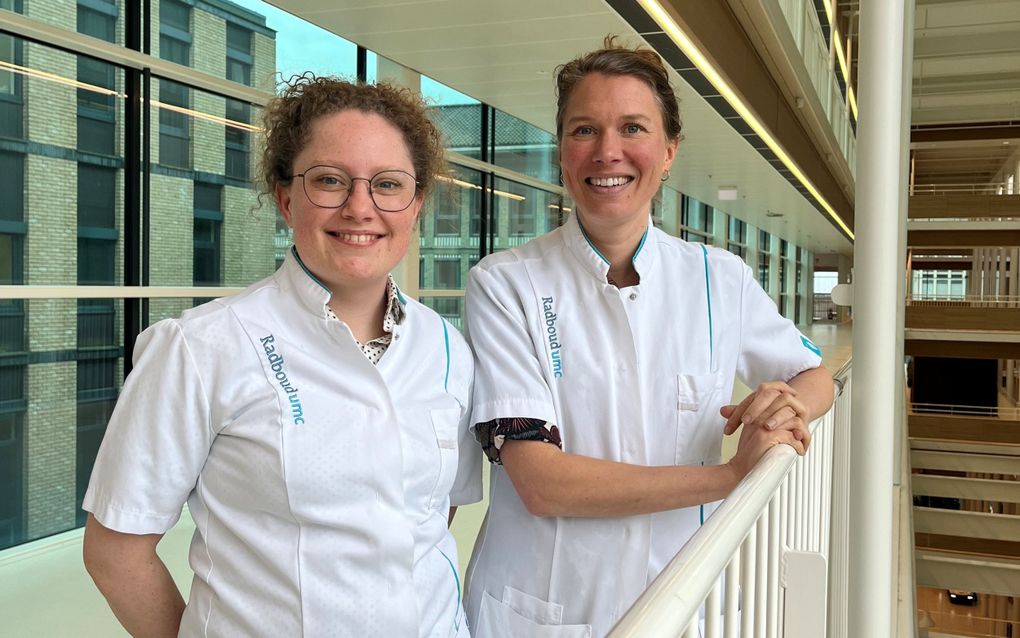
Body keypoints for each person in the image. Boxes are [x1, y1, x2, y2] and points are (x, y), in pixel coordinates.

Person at [82, 76, 480, 637]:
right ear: (286, 199)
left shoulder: (447, 349)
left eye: (388, 185)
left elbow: (434, 514)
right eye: (329, 181)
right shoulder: (201, 348)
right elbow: (116, 552)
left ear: (415, 205)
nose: (360, 208)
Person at [462, 38, 834, 638]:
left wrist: (787, 408)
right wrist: (731, 475)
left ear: (668, 151)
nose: (608, 152)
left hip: (682, 591)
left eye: (632, 127)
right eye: (585, 130)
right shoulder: (506, 284)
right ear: (562, 151)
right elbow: (539, 480)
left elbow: (814, 375)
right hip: (542, 606)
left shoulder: (719, 278)